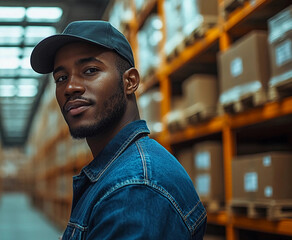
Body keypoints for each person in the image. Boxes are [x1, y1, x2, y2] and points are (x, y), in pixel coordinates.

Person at [30, 20, 207, 240]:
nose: (70, 87)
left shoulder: (136, 190)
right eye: (61, 78)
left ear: (130, 82)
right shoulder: (116, 174)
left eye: (90, 70)